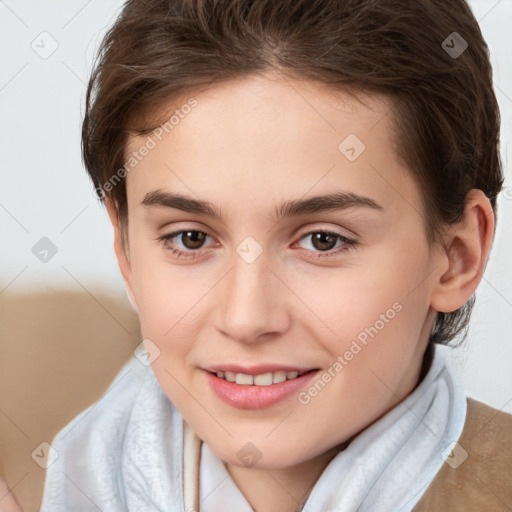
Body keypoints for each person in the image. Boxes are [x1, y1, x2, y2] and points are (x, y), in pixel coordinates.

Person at [24, 0, 512, 510]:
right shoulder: (65, 476)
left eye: (323, 240)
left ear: (457, 256)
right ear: (125, 249)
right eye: (190, 238)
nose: (246, 319)